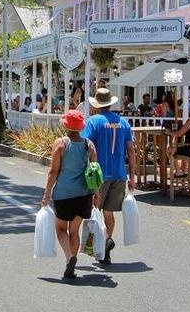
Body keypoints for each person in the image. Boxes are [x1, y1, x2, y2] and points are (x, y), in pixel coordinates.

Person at [41, 110, 97, 279]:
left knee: (60, 229)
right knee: (74, 231)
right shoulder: (89, 144)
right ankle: (73, 260)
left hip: (63, 194)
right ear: (80, 127)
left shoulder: (61, 143)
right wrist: (96, 193)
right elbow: (95, 171)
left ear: (66, 126)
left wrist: (46, 195)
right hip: (83, 194)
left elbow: (53, 172)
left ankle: (69, 258)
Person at [83, 88, 135, 265]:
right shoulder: (124, 123)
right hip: (120, 173)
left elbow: (86, 146)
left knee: (94, 210)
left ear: (97, 105)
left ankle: (100, 244)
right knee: (109, 212)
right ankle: (108, 240)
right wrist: (132, 176)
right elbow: (131, 150)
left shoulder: (93, 122)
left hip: (99, 175)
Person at [166, 106, 190, 179]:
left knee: (170, 150)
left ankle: (178, 171)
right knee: (180, 148)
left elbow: (178, 134)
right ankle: (183, 170)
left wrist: (169, 132)